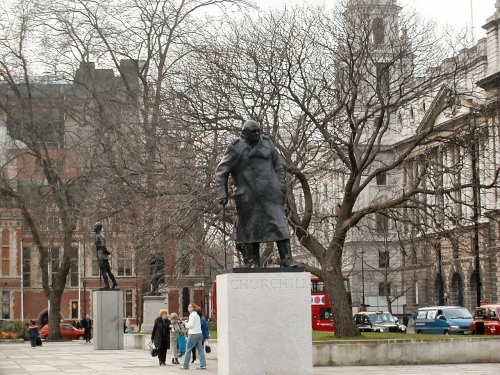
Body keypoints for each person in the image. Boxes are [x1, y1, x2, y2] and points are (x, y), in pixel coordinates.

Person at [215, 119, 296, 268]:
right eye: (254, 132)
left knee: (280, 225)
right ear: (245, 133)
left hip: (271, 194)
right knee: (250, 228)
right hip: (248, 196)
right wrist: (222, 193)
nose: (258, 134)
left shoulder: (267, 143)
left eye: (259, 131)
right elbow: (222, 171)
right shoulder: (235, 148)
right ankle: (253, 262)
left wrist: (281, 187)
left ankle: (287, 259)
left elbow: (277, 167)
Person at [180, 303, 206, 370]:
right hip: (199, 333)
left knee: (188, 350)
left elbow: (190, 325)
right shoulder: (197, 315)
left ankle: (185, 366)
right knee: (201, 350)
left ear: (192, 308)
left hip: (193, 334)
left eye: (189, 307)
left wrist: (185, 323)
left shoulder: (192, 315)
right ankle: (203, 365)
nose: (188, 308)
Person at [94, 222, 118, 290]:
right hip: (103, 255)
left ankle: (107, 285)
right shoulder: (100, 235)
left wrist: (106, 251)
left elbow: (102, 245)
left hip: (101, 255)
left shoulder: (99, 236)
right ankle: (114, 282)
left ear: (98, 228)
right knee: (108, 271)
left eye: (95, 227)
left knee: (103, 271)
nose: (94, 229)